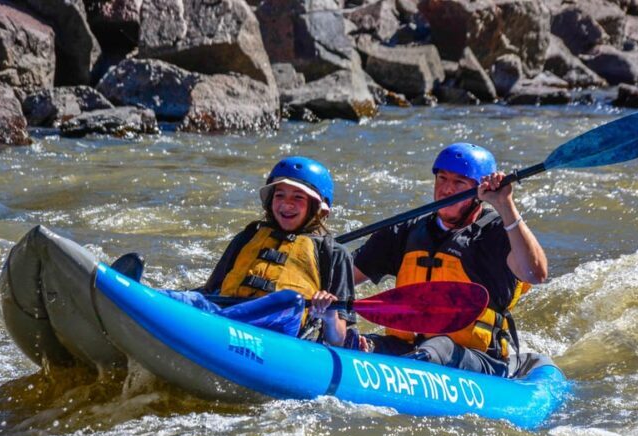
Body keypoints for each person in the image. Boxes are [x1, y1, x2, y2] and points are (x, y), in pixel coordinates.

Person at [112, 156, 355, 347]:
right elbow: (211, 291)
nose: (286, 204)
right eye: (279, 195)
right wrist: (187, 301)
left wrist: (329, 316)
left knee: (290, 301)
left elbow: (338, 339)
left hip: (280, 330)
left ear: (317, 208)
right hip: (228, 314)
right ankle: (130, 295)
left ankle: (210, 326)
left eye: (298, 197)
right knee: (194, 299)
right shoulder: (248, 236)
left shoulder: (334, 254)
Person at [352, 143, 548, 375]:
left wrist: (505, 204)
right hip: (407, 348)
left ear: (479, 192)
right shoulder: (404, 231)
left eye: (459, 183)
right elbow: (345, 275)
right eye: (442, 178)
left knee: (439, 347)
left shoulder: (497, 233)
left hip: (476, 359)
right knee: (356, 343)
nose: (446, 189)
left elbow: (535, 273)